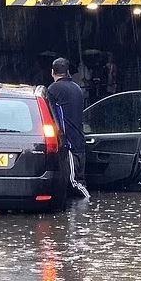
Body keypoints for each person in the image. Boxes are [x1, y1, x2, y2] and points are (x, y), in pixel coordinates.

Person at [47, 58, 90, 199]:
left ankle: (90, 205)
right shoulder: (77, 88)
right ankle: (79, 217)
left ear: (53, 72)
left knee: (74, 183)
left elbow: (53, 117)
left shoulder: (53, 89)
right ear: (68, 72)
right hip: (79, 141)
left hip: (68, 144)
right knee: (80, 180)